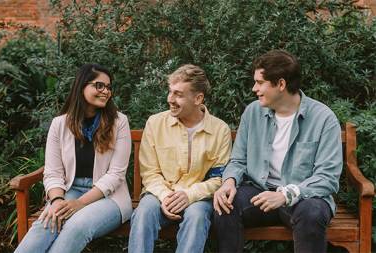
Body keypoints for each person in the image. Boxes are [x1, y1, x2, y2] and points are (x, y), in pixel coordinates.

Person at [213, 50, 343, 253]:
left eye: (260, 82)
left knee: (312, 213)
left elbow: (327, 177)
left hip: (304, 197)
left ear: (281, 84)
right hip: (260, 190)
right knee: (225, 205)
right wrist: (229, 182)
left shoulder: (323, 119)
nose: (254, 88)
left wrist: (285, 195)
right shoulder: (253, 112)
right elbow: (238, 160)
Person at [15, 63, 133, 253]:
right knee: (45, 224)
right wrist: (56, 202)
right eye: (99, 85)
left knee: (77, 226)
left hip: (109, 196)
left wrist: (80, 203)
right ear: (81, 86)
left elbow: (116, 175)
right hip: (69, 191)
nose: (106, 91)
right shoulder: (59, 124)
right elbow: (53, 172)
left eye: (109, 87)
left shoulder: (119, 122)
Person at [128, 64, 232, 253]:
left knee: (198, 216)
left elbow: (219, 178)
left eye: (178, 94)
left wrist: (189, 195)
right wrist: (166, 197)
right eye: (170, 92)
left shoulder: (220, 130)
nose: (170, 99)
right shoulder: (155, 123)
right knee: (143, 212)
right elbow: (150, 172)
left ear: (198, 98)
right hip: (160, 195)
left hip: (198, 198)